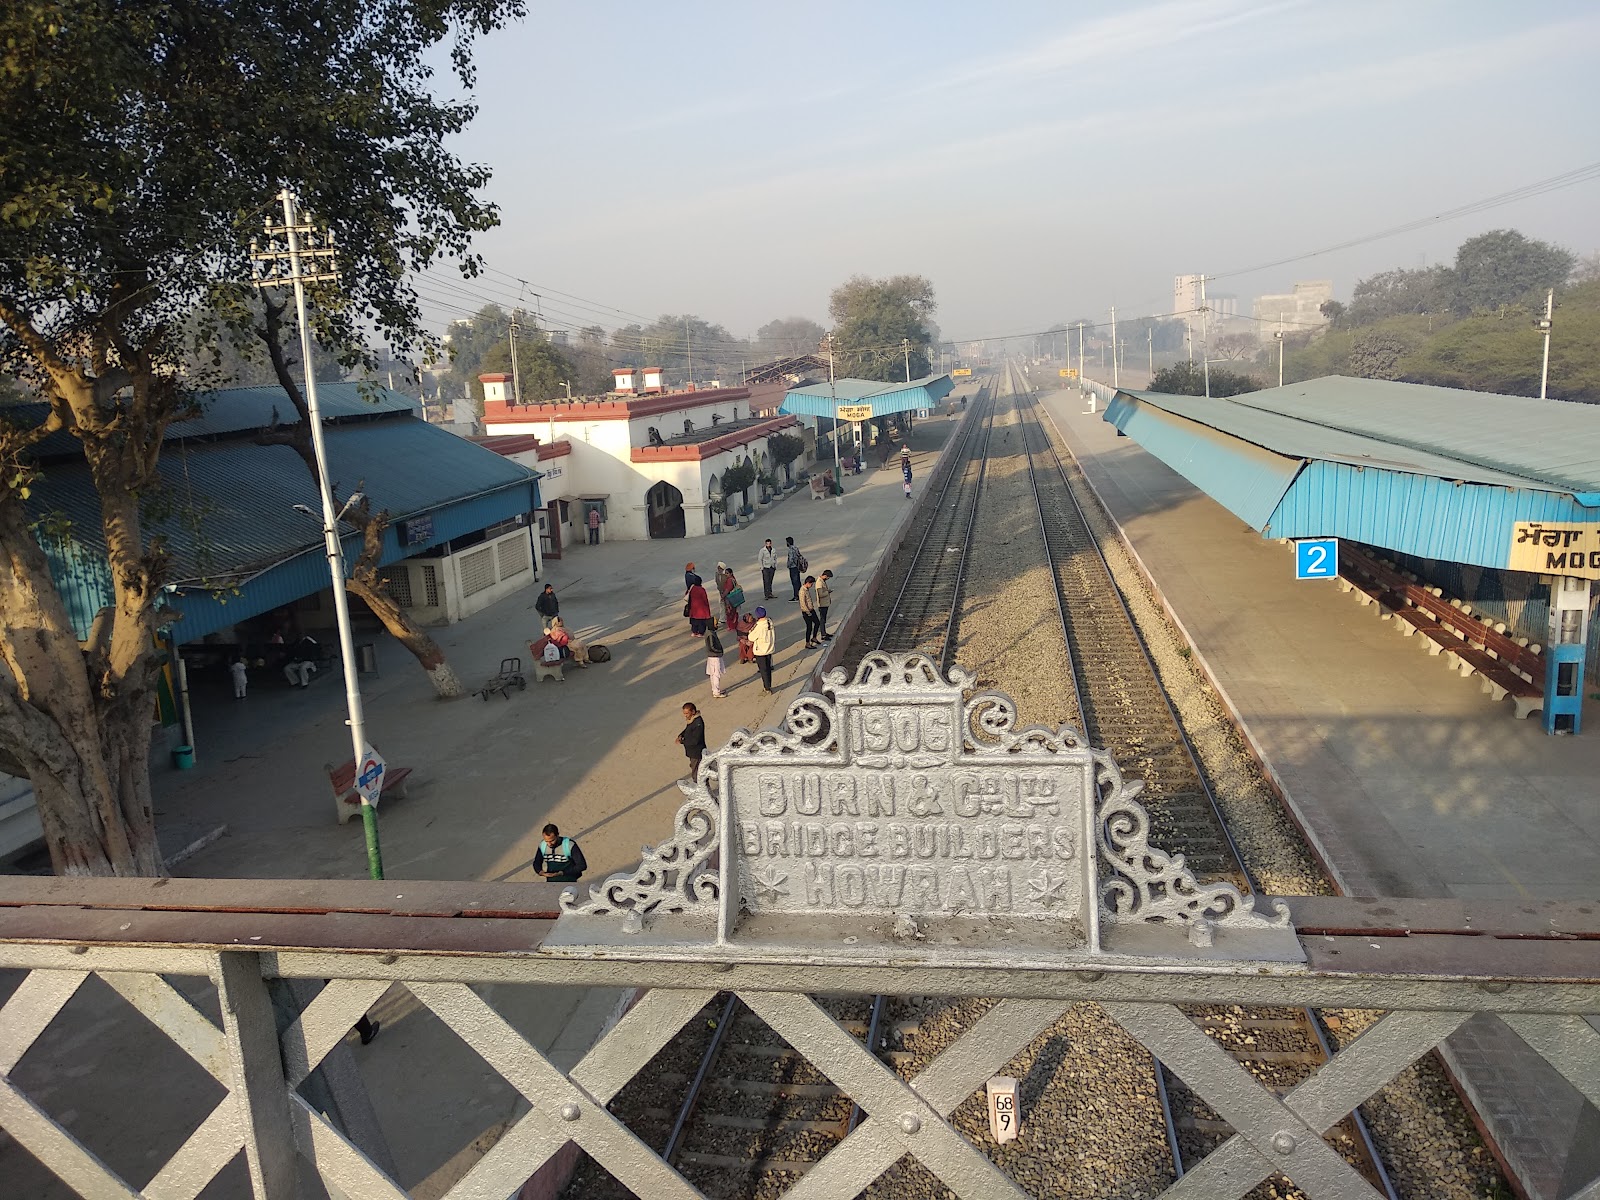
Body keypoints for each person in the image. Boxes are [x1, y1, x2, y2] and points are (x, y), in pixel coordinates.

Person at [677, 703, 707, 780]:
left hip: (697, 753)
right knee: (695, 769)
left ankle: (700, 786)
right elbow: (688, 729)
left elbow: (695, 740)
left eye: (687, 713)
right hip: (693, 752)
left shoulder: (698, 723)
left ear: (693, 712)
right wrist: (681, 735)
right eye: (684, 713)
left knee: (697, 773)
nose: (685, 715)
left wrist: (682, 741)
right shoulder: (692, 720)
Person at [749, 607, 777, 693]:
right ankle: (769, 685)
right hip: (769, 649)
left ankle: (767, 688)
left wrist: (751, 631)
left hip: (760, 651)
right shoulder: (769, 622)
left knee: (763, 670)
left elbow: (751, 637)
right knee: (768, 668)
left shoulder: (759, 626)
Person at [704, 617, 727, 699]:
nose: (717, 625)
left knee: (713, 674)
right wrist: (719, 651)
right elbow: (712, 646)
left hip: (712, 657)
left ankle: (716, 690)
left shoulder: (710, 632)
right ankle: (716, 692)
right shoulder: (710, 634)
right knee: (716, 675)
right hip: (715, 657)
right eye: (715, 624)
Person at [799, 575, 820, 648]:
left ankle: (814, 637)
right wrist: (808, 612)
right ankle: (807, 643)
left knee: (817, 623)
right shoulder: (802, 591)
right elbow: (803, 603)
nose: (812, 585)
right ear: (808, 583)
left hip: (811, 609)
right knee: (809, 627)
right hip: (807, 612)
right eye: (811, 584)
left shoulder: (806, 589)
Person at [817, 570, 834, 641]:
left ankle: (824, 633)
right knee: (822, 619)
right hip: (822, 604)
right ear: (825, 576)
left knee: (824, 619)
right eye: (828, 577)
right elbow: (820, 594)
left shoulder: (822, 581)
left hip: (825, 603)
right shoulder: (819, 583)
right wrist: (828, 592)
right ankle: (823, 634)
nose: (828, 579)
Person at [785, 537, 803, 601]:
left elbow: (791, 559)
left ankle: (796, 596)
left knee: (794, 582)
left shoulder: (790, 550)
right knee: (798, 581)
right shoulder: (796, 548)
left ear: (788, 543)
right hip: (797, 566)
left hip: (793, 567)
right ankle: (801, 594)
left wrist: (788, 565)